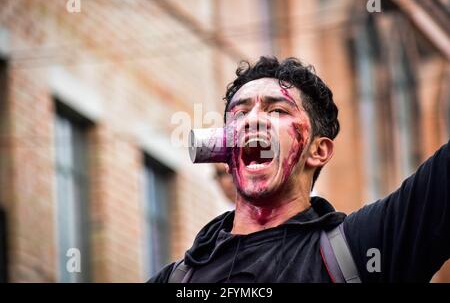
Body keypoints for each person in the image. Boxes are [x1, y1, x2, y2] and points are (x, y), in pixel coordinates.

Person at [149, 56, 450, 282]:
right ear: (226, 151)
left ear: (319, 151)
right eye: (239, 113)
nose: (252, 120)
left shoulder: (361, 249)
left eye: (277, 110)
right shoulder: (178, 279)